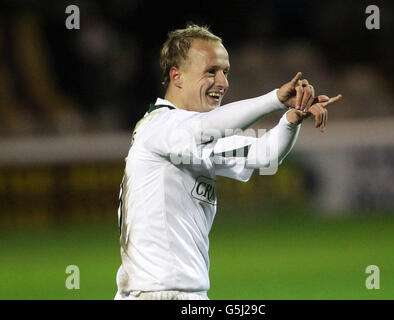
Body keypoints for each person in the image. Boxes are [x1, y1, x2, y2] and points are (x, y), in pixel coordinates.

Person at [114, 24, 342, 300]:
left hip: (177, 293)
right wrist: (274, 99)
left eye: (225, 72)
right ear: (177, 76)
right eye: (211, 71)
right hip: (159, 293)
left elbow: (264, 155)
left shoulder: (189, 137)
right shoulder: (160, 126)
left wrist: (291, 119)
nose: (223, 82)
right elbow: (205, 128)